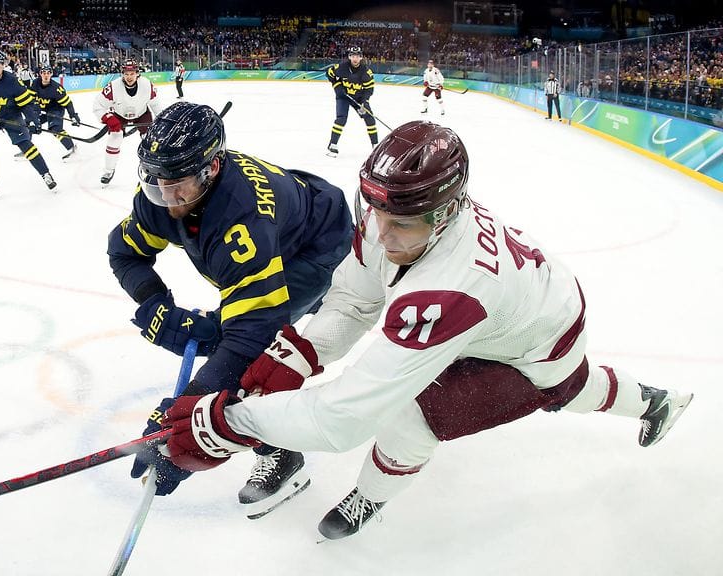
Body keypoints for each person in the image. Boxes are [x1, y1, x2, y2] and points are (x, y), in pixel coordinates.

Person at [161, 121, 693, 540]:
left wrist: (225, 425)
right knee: (564, 388)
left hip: (540, 335)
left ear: (445, 213)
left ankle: (371, 495)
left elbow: (344, 418)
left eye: (402, 224)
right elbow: (355, 299)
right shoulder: (395, 210)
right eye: (375, 211)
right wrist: (295, 356)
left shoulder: (449, 287)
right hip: (518, 303)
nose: (382, 233)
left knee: (418, 417)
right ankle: (656, 401)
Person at [108, 101, 354, 518]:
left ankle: (282, 454)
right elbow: (124, 253)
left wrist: (185, 420)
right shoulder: (166, 186)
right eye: (156, 183)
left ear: (212, 169)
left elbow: (253, 338)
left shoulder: (241, 224)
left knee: (266, 357)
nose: (167, 199)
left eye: (178, 185)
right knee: (235, 336)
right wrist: (156, 305)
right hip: (287, 222)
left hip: (315, 248)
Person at [0, 50, 56, 198]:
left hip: (11, 116)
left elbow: (25, 104)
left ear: (4, 66)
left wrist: (33, 121)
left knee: (26, 145)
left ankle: (46, 174)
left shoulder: (13, 81)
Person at [92, 59, 164, 185]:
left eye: (132, 73)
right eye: (126, 74)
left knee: (149, 140)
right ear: (122, 74)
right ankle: (108, 171)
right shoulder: (113, 87)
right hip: (119, 115)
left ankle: (153, 169)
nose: (129, 77)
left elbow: (156, 105)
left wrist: (161, 120)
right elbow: (98, 106)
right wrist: (108, 118)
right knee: (115, 138)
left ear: (137, 74)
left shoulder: (147, 85)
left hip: (142, 114)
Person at [325, 46, 378, 157]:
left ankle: (375, 145)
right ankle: (333, 144)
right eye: (353, 56)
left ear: (361, 57)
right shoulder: (341, 67)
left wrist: (364, 102)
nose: (355, 58)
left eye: (357, 56)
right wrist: (337, 86)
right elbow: (329, 73)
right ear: (349, 57)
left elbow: (369, 89)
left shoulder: (366, 72)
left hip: (358, 98)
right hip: (343, 96)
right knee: (341, 119)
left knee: (369, 118)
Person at [25, 64, 82, 160]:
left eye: (48, 73)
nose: (46, 75)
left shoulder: (56, 88)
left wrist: (73, 115)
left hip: (56, 109)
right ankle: (27, 149)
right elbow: (30, 98)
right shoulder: (35, 83)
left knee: (55, 129)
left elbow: (67, 103)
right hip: (42, 110)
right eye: (44, 73)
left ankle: (71, 147)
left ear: (51, 74)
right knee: (27, 123)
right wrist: (34, 109)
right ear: (40, 74)